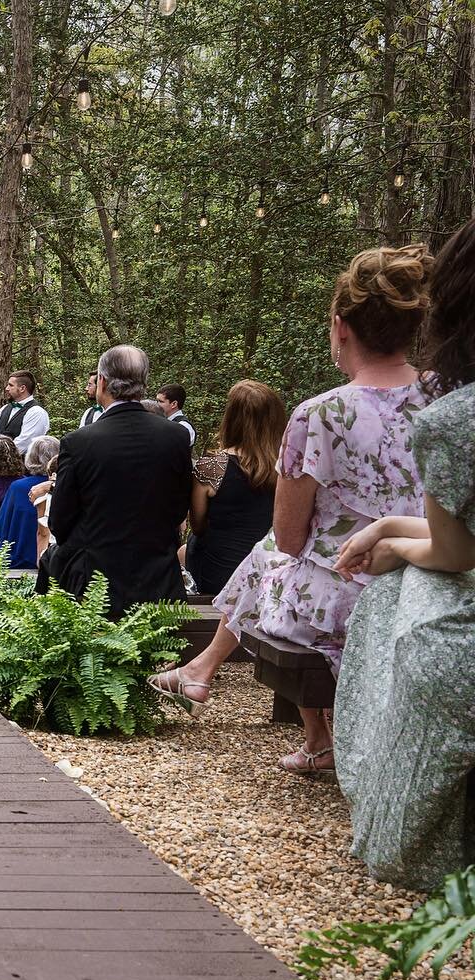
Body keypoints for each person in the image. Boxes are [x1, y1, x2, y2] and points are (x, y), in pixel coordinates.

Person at [150, 244, 435, 775]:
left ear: (340, 326)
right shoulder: (446, 400)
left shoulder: (317, 415)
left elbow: (287, 536)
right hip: (435, 571)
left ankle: (297, 725)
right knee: (273, 563)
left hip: (352, 590)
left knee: (271, 558)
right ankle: (210, 676)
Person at [333, 219, 475, 889]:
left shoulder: (454, 418)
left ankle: (398, 828)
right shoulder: (436, 406)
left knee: (390, 604)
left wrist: (391, 547)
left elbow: (453, 553)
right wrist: (392, 524)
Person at [38, 344, 192, 616]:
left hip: (95, 578)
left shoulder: (79, 442)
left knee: (52, 561)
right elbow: (179, 508)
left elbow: (59, 522)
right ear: (143, 385)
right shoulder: (175, 437)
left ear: (103, 382)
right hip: (157, 577)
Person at [184, 380, 284, 595]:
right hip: (270, 572)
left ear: (232, 417)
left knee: (190, 546)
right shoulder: (287, 467)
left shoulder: (212, 465)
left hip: (220, 575)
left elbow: (198, 525)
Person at [0, 435, 59, 568]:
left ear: (30, 458)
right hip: (52, 559)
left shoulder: (18, 487)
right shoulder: (65, 487)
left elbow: (2, 525)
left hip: (18, 558)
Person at [0, 370, 50, 455]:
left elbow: (23, 444)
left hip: (23, 466)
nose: (6, 388)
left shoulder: (37, 413)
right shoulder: (4, 409)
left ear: (22, 388)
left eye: (10, 385)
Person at [157, 383, 196, 448]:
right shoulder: (161, 421)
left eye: (161, 401)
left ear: (174, 404)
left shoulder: (184, 426)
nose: (157, 404)